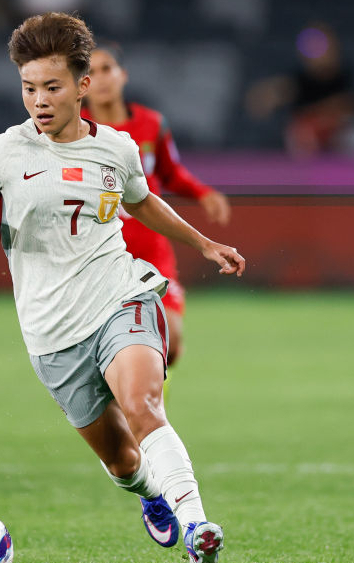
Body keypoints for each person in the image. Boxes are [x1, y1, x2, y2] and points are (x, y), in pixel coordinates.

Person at [0, 12, 244, 563]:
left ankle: (197, 528)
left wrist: (203, 244)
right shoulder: (3, 152)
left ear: (82, 85)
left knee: (145, 405)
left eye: (52, 87)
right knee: (123, 462)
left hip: (119, 296)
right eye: (29, 88)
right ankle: (153, 495)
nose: (39, 100)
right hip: (51, 332)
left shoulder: (117, 148)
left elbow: (142, 201)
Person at [82, 42, 232, 367]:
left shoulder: (151, 124)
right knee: (101, 348)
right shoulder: (72, 130)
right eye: (91, 72)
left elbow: (170, 173)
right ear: (82, 83)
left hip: (151, 250)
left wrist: (203, 193)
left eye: (107, 69)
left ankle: (150, 390)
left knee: (171, 343)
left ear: (123, 75)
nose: (101, 79)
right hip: (98, 254)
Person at [245, 22, 354, 157]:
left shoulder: (347, 77)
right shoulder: (298, 81)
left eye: (322, 46)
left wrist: (321, 117)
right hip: (305, 151)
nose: (317, 53)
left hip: (343, 148)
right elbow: (260, 100)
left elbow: (348, 107)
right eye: (310, 47)